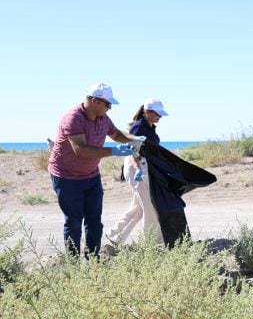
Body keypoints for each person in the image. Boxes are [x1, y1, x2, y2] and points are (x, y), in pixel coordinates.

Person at [48, 83, 143, 258]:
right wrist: (113, 151)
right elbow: (81, 150)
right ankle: (74, 262)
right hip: (67, 177)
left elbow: (116, 134)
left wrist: (134, 139)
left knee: (94, 221)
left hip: (91, 176)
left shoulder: (103, 118)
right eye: (108, 104)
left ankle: (92, 258)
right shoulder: (73, 118)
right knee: (74, 222)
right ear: (94, 101)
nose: (109, 108)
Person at [106, 99, 169, 246]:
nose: (160, 117)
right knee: (149, 206)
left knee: (139, 207)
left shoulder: (150, 126)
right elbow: (133, 148)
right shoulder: (139, 127)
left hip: (144, 166)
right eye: (157, 114)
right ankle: (154, 243)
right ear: (147, 112)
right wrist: (138, 168)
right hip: (136, 166)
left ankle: (115, 235)